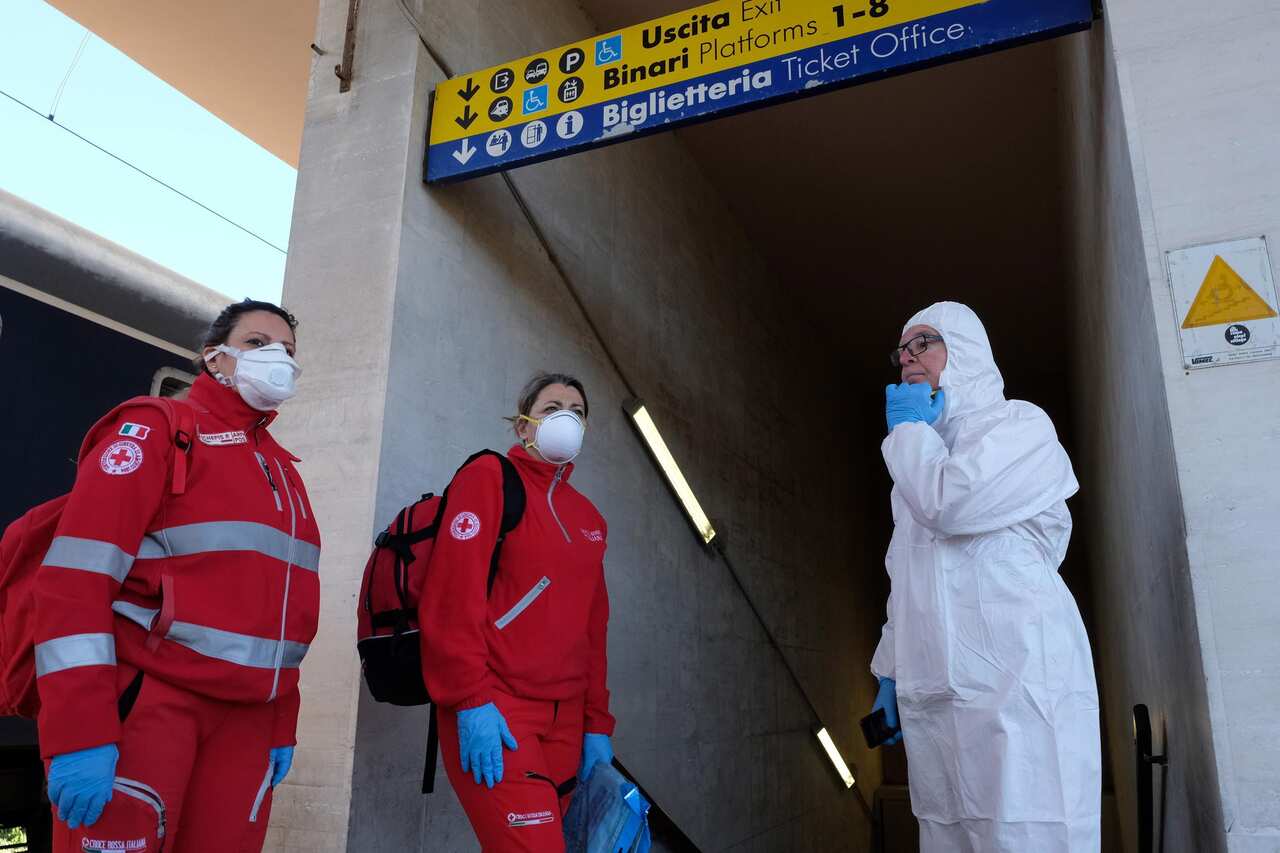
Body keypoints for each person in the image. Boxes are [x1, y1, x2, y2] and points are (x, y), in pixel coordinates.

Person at [33, 299, 321, 852]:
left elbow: (288, 616)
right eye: (257, 343)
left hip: (248, 722)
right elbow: (74, 581)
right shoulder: (156, 429)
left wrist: (283, 717)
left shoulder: (283, 472)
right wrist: (79, 731)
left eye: (287, 350)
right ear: (214, 357)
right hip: (152, 704)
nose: (277, 359)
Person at [870, 302, 1101, 852]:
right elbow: (905, 573)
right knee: (948, 831)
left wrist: (908, 431)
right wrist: (890, 672)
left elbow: (950, 503)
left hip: (1017, 682)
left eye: (923, 342)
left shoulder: (1018, 427)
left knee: (1027, 829)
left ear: (965, 352)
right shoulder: (916, 461)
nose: (907, 357)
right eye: (901, 350)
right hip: (938, 696)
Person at [421, 372, 614, 852]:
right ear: (524, 425)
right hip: (499, 710)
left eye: (577, 411)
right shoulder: (489, 479)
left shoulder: (589, 517)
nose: (566, 418)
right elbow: (452, 595)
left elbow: (593, 630)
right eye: (552, 408)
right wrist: (470, 701)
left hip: (567, 723)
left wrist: (596, 724)